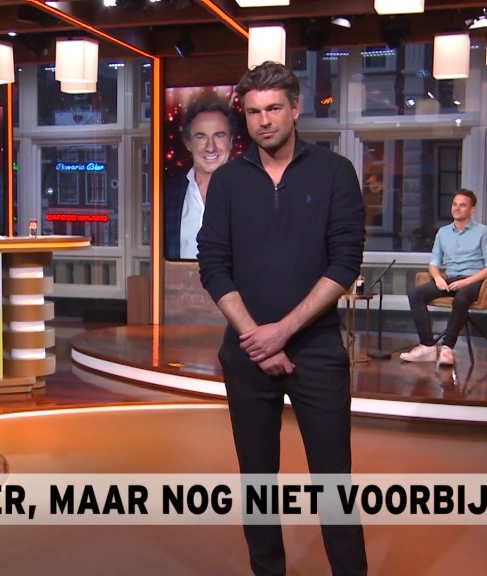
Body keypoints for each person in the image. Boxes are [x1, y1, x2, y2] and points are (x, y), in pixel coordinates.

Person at [197, 62, 367, 575]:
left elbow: (344, 264)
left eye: (273, 108)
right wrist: (255, 337)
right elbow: (213, 264)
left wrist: (284, 332)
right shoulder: (227, 181)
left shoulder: (334, 173)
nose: (264, 120)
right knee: (257, 481)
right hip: (247, 353)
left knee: (333, 482)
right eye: (253, 112)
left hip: (316, 350)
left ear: (295, 109)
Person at [400, 189, 487, 366]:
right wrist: (438, 278)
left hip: (474, 280)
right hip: (450, 278)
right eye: (454, 204)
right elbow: (434, 263)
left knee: (461, 298)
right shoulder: (443, 233)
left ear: (472, 209)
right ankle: (427, 347)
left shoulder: (483, 232)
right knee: (415, 294)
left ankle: (447, 348)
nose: (457, 208)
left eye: (463, 205)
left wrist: (466, 282)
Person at [165, 99, 237, 259]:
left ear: (231, 141)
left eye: (219, 135)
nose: (210, 147)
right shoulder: (168, 193)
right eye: (201, 137)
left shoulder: (251, 193)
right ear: (188, 143)